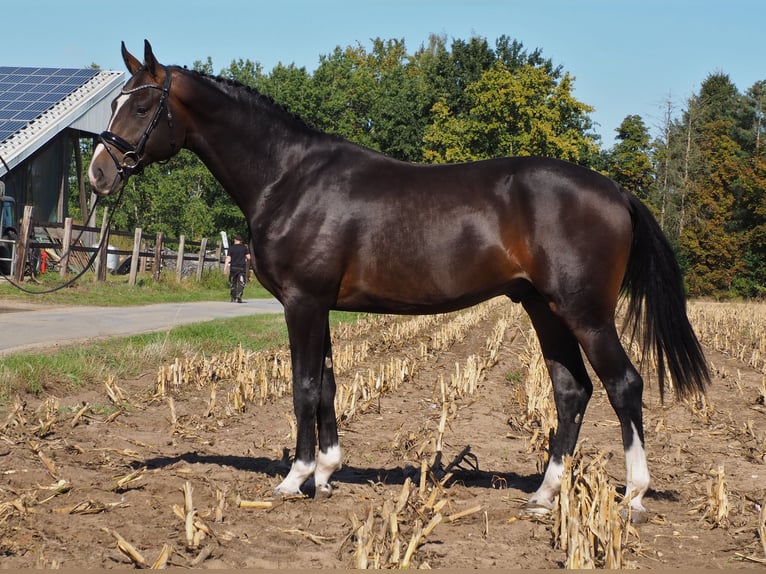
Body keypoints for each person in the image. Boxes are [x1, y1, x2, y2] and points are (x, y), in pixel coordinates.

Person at [223, 235, 251, 303]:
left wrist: (225, 268)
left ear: (235, 240)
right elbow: (249, 257)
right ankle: (239, 294)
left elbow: (228, 258)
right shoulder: (244, 248)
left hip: (233, 267)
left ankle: (233, 297)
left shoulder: (231, 248)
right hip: (241, 267)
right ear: (241, 241)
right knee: (241, 282)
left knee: (233, 282)